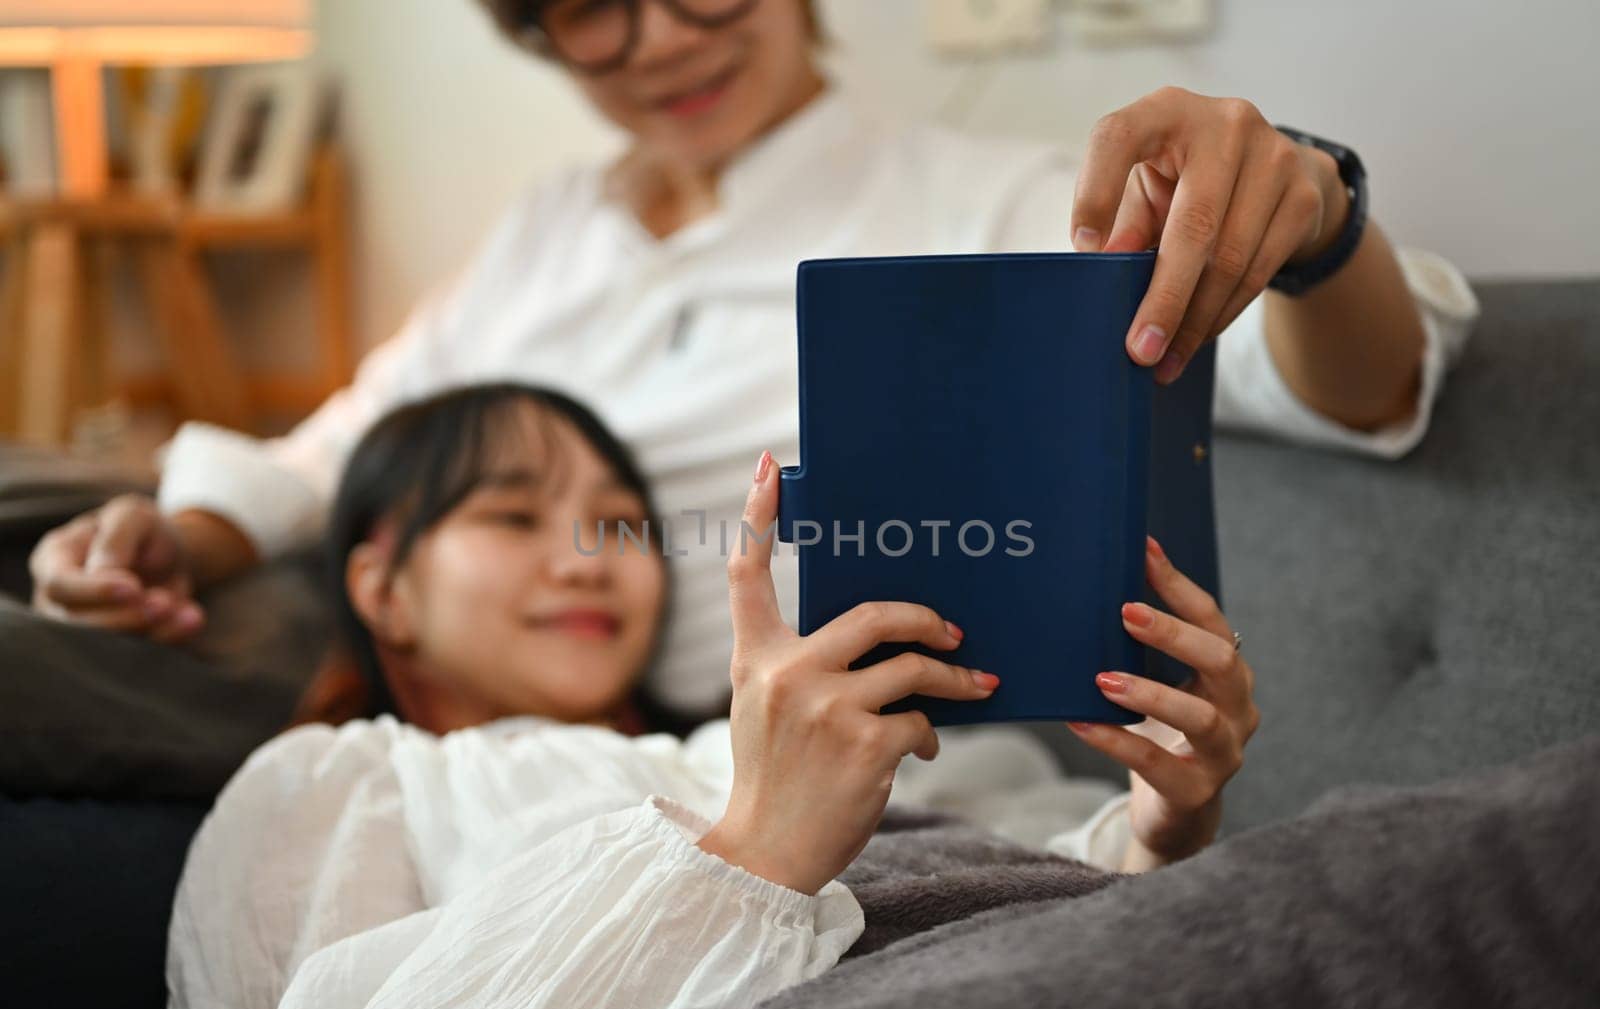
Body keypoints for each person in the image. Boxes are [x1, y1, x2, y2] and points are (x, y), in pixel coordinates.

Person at [28, 0, 1479, 717]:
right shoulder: (551, 227)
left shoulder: (979, 205)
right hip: (501, 743)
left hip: (790, 762)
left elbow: (1360, 391)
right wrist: (171, 535)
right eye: (592, 6)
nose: (659, 42)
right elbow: (342, 445)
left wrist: (1317, 216)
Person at [168, 383, 1260, 1009]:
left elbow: (1059, 883)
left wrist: (1161, 828)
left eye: (620, 524)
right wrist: (755, 851)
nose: (584, 555)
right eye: (511, 514)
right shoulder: (349, 777)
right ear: (383, 587)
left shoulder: (812, 732)